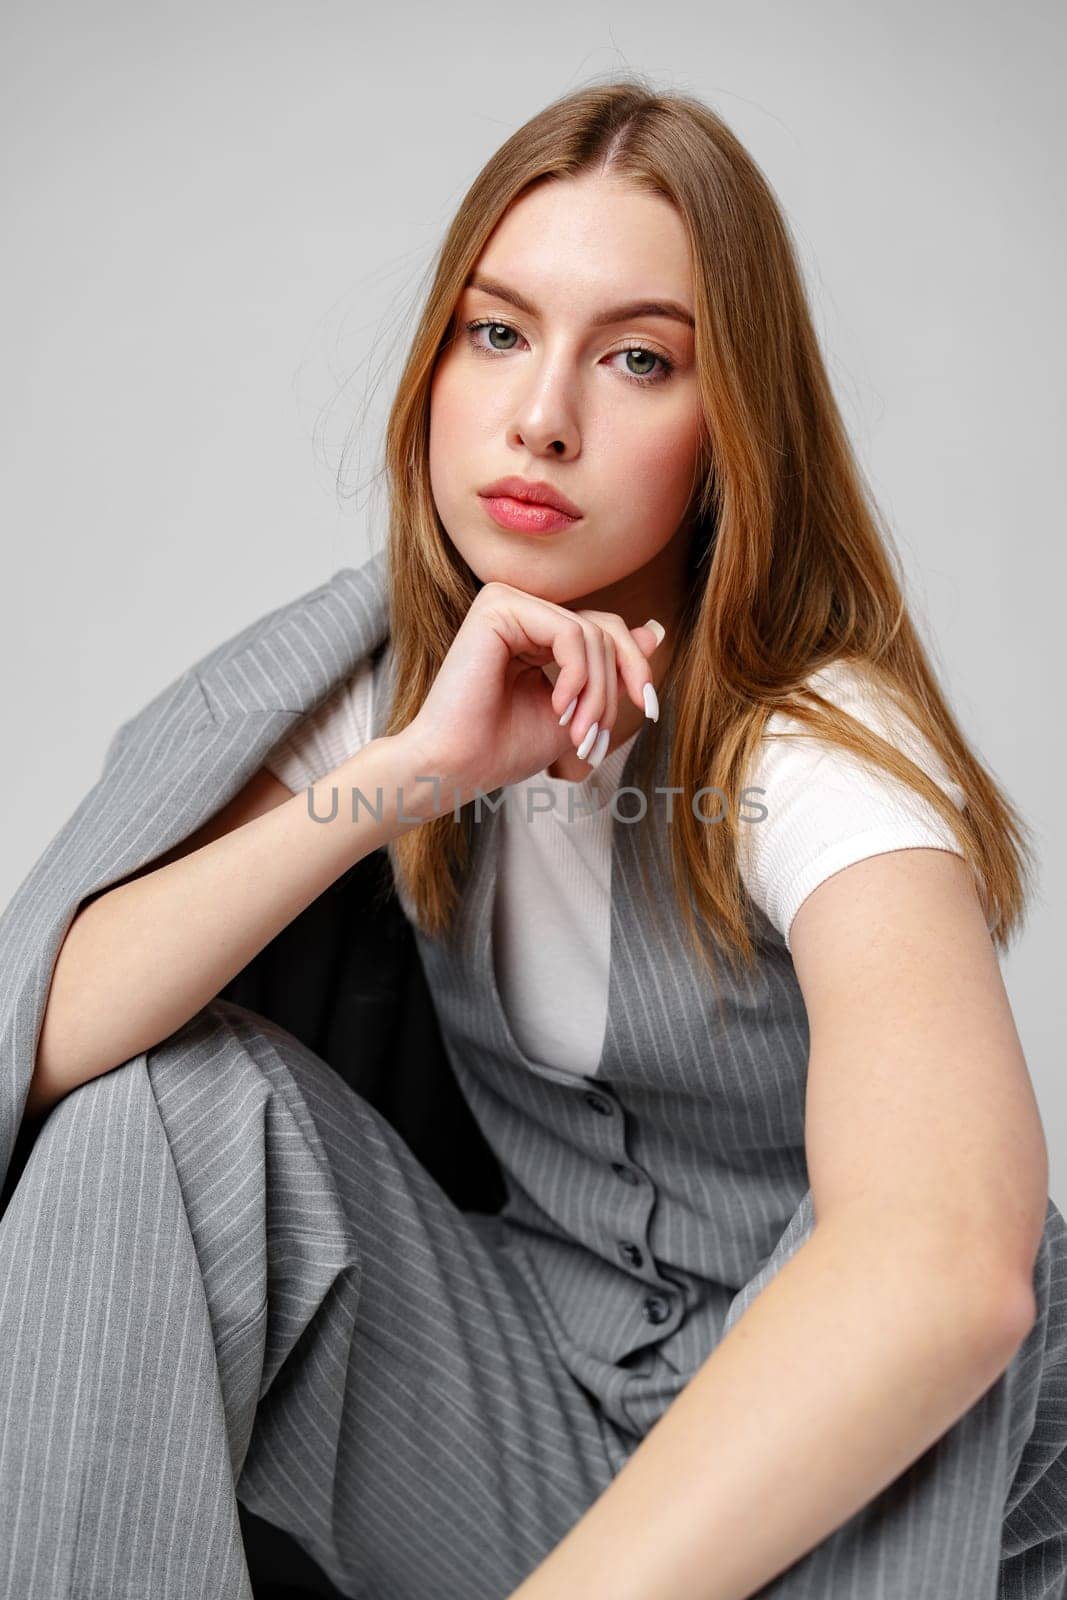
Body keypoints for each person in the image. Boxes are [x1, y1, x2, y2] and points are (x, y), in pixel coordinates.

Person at [3, 75, 1066, 1600]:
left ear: (733, 429)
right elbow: (52, 1028)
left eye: (638, 360)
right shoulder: (389, 681)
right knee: (153, 1116)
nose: (541, 416)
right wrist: (414, 772)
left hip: (856, 1492)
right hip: (541, 1441)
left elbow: (954, 1259)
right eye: (497, 333)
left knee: (916, 1209)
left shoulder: (812, 739)